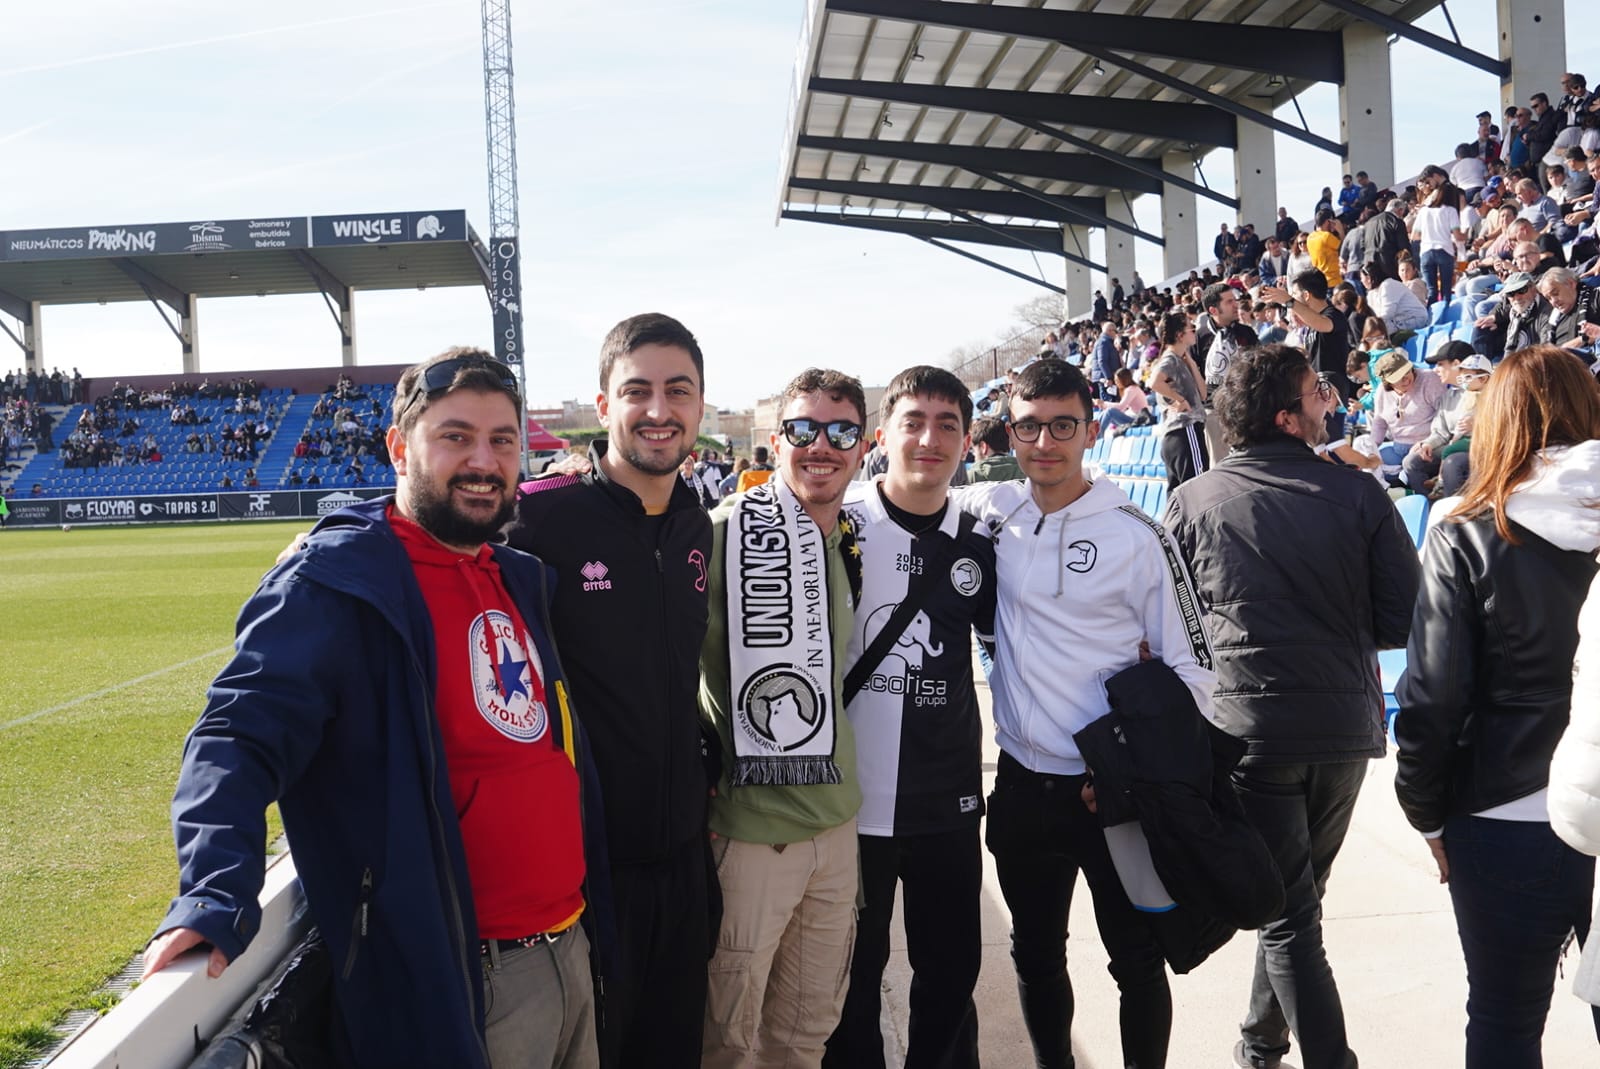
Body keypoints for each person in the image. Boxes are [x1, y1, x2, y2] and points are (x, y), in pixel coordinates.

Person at [142, 349, 607, 1068]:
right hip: (461, 978)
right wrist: (211, 891)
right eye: (455, 436)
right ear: (399, 445)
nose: (484, 459)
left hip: (568, 948)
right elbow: (236, 735)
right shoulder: (334, 581)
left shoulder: (516, 577)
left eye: (503, 440)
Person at [954, 358, 1215, 1069]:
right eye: (1029, 426)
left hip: (1114, 793)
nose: (1045, 442)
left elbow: (1193, 667)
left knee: (1137, 962)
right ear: (1010, 431)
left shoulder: (1138, 534)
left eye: (1062, 425)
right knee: (1035, 957)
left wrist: (1145, 774)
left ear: (1091, 429)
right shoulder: (991, 510)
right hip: (1021, 785)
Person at [1166, 344, 1421, 1069]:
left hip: (1248, 734)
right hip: (1341, 730)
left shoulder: (1192, 500)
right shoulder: (1360, 492)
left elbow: (1174, 632)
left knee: (1289, 916)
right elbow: (1402, 621)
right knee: (1295, 911)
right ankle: (1259, 1046)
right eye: (1318, 393)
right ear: (1287, 415)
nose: (1328, 403)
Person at [504, 314, 714, 1069]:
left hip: (687, 864)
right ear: (604, 406)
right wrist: (346, 527)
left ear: (700, 405)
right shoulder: (540, 520)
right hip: (591, 880)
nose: (659, 410)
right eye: (638, 391)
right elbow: (436, 525)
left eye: (677, 391)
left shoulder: (697, 524)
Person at [1395, 345, 1600, 1067]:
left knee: (1506, 1024)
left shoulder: (1465, 529)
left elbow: (1432, 694)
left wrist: (1423, 807)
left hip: (1506, 817)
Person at [824, 367, 997, 1069]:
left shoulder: (985, 541)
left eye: (948, 424)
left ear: (966, 440)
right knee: (850, 989)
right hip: (848, 810)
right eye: (914, 421)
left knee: (950, 981)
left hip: (946, 804)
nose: (930, 438)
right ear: (882, 435)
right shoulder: (838, 525)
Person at [701, 368, 869, 1069]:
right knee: (727, 1041)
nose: (821, 446)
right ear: (777, 442)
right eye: (803, 430)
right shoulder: (721, 535)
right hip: (748, 838)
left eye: (841, 431)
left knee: (805, 1037)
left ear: (864, 445)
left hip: (835, 829)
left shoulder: (853, 538)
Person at [1401, 346, 1486, 496]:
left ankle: (1451, 507)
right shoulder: (1448, 396)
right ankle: (1429, 507)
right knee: (1411, 461)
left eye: (1440, 364)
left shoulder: (1488, 391)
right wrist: (1428, 444)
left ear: (1456, 364)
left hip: (1480, 444)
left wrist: (1478, 425)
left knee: (1452, 461)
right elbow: (1440, 432)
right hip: (1453, 443)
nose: (1435, 370)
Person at [1150, 309, 1210, 490]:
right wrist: (1179, 399)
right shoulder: (1170, 359)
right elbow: (1154, 382)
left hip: (1177, 435)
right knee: (1198, 489)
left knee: (1179, 497)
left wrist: (1191, 361)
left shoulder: (1179, 360)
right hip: (1185, 430)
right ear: (1180, 335)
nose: (1194, 330)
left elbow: (1203, 393)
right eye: (1190, 327)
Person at [967, 415, 1022, 482]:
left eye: (974, 450)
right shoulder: (1028, 473)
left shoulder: (971, 477)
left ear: (983, 447)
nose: (974, 455)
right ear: (1009, 443)